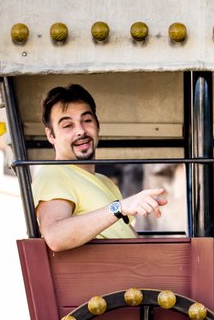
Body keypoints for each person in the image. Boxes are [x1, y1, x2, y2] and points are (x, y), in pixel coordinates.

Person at [33, 84, 168, 252]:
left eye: (87, 121)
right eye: (68, 125)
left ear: (97, 126)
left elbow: (128, 238)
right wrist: (119, 207)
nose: (81, 131)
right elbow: (55, 236)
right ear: (51, 135)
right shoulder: (53, 173)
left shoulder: (105, 182)